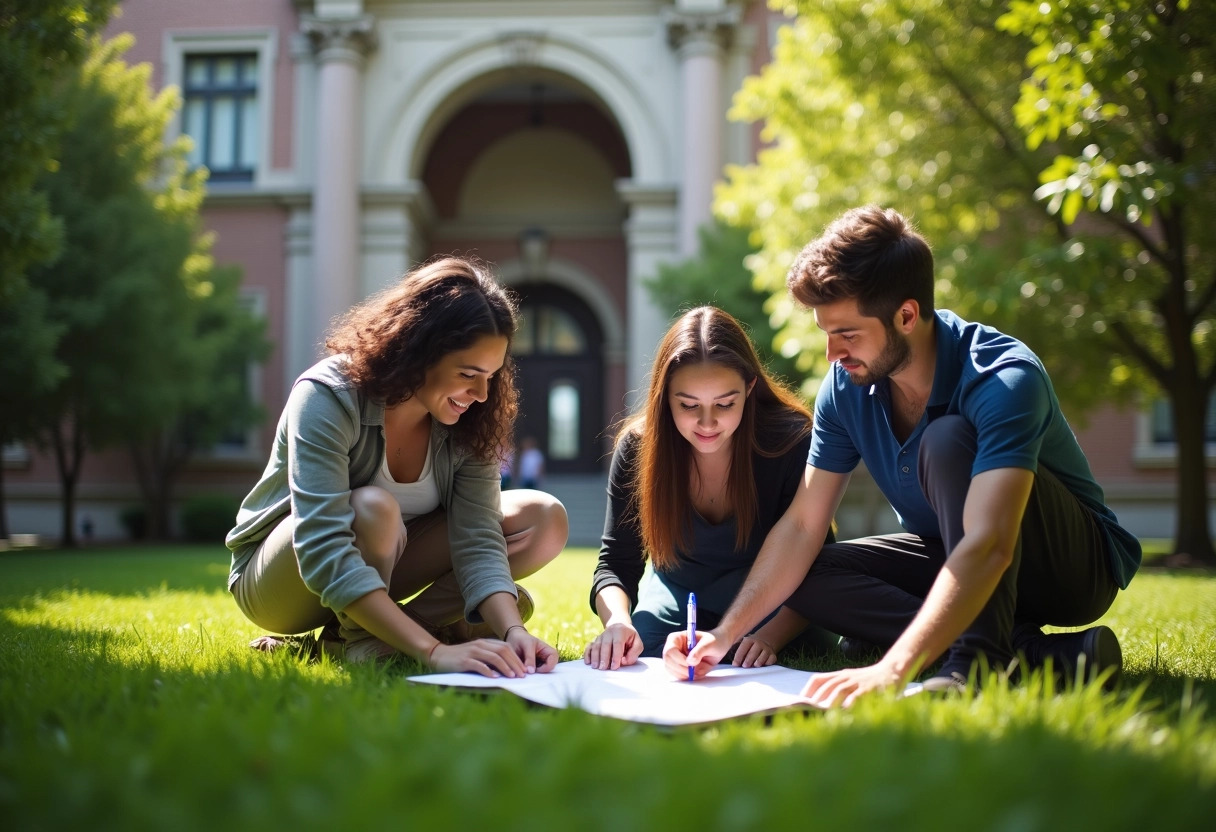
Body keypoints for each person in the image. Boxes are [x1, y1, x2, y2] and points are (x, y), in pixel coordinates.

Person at [665, 206, 1141, 705]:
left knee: (947, 438)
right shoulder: (846, 387)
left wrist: (893, 666)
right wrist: (724, 636)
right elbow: (802, 527)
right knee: (809, 574)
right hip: (949, 549)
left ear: (907, 316)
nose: (832, 353)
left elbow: (990, 543)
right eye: (826, 333)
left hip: (1068, 568)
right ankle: (1038, 654)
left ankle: (973, 664)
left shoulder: (1003, 378)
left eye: (847, 334)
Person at [225, 257, 569, 677]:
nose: (481, 393)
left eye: (491, 377)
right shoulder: (328, 395)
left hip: (387, 561)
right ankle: (400, 636)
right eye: (469, 373)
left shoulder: (469, 421)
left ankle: (356, 638)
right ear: (419, 350)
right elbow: (323, 547)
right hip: (285, 580)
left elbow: (478, 538)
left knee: (542, 517)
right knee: (374, 508)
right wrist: (433, 652)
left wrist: (513, 628)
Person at [584, 306, 836, 670]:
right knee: (648, 649)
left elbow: (815, 560)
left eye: (725, 404)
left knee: (760, 655)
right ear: (664, 394)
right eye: (688, 405)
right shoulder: (640, 447)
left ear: (750, 387)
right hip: (676, 598)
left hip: (772, 603)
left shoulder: (789, 440)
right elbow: (615, 563)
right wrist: (618, 623)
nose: (707, 423)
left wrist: (769, 637)